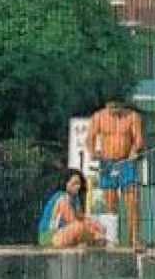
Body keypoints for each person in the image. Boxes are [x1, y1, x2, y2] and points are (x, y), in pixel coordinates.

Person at [85, 97, 145, 249]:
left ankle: (134, 239)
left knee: (133, 201)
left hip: (126, 162)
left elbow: (138, 139)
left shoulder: (132, 117)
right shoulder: (98, 117)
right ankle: (112, 238)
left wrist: (134, 150)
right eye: (111, 107)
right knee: (110, 203)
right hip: (107, 162)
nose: (114, 111)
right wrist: (93, 152)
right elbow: (90, 138)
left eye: (117, 107)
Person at [38, 169, 107, 249]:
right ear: (65, 183)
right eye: (74, 183)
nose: (77, 186)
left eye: (79, 183)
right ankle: (93, 241)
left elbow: (81, 217)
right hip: (50, 235)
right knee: (79, 228)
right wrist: (93, 231)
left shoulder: (75, 198)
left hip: (65, 232)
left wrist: (95, 225)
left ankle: (93, 242)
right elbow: (72, 220)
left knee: (95, 227)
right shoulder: (62, 197)